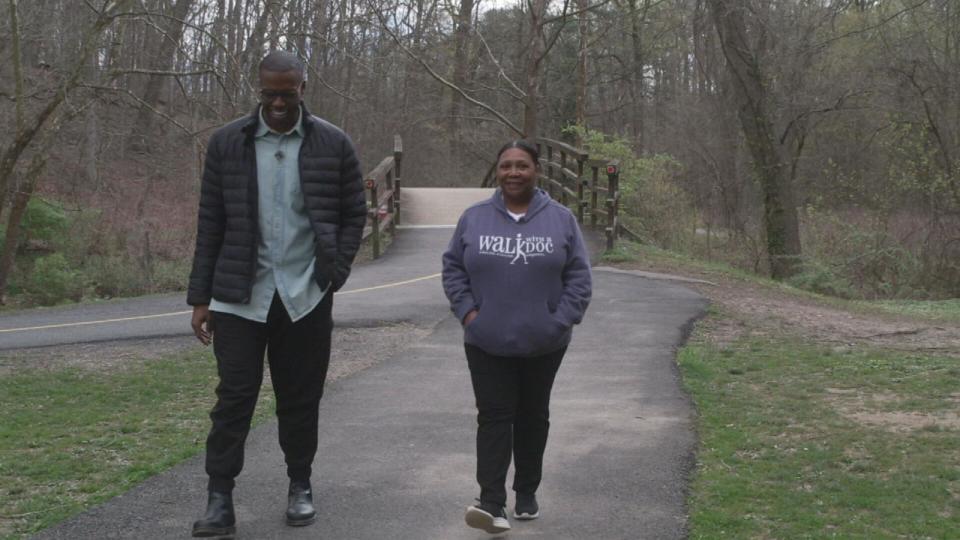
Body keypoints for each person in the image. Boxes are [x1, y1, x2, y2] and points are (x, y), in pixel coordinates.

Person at [186, 50, 366, 538]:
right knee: (235, 398)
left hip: (305, 293)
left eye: (288, 92)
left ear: (303, 87)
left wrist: (335, 271)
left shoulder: (333, 143)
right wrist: (200, 297)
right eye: (270, 93)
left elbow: (355, 213)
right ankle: (219, 499)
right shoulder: (228, 144)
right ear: (259, 90)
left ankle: (300, 487)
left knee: (300, 398)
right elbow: (211, 223)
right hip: (239, 295)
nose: (279, 102)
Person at [442, 140, 592, 535]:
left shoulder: (560, 219)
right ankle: (491, 502)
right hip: (485, 340)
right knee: (493, 415)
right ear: (497, 171)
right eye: (506, 165)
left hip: (544, 341)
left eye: (521, 165)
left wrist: (560, 320)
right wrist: (469, 314)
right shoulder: (474, 218)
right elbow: (453, 267)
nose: (513, 172)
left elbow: (579, 276)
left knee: (532, 415)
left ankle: (526, 489)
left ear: (536, 171)